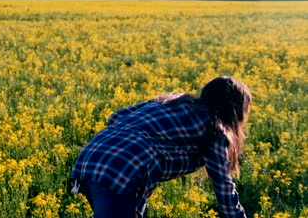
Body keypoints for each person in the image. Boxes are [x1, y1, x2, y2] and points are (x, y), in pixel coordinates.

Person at [70, 76, 251, 218]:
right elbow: (223, 186)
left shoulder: (170, 101)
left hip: (90, 158)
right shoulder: (215, 128)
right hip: (121, 169)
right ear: (234, 111)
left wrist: (138, 137)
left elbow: (116, 117)